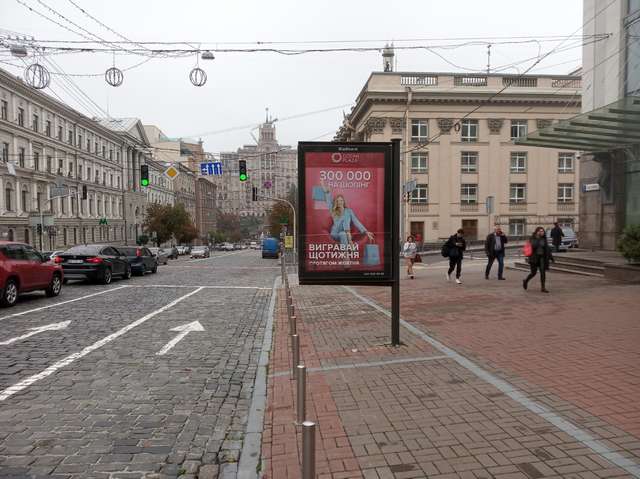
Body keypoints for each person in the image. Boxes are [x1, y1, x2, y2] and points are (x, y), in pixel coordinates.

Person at [321, 181, 374, 246]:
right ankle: (348, 244)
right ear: (336, 203)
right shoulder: (334, 210)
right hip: (335, 234)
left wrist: (366, 232)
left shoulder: (349, 211)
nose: (340, 202)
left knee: (343, 232)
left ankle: (345, 251)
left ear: (343, 201)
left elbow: (356, 221)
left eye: (341, 200)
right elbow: (329, 202)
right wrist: (327, 192)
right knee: (343, 233)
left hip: (345, 234)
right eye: (338, 201)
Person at [523, 226, 554, 293]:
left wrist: (551, 257)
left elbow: (547, 249)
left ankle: (543, 287)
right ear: (537, 232)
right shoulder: (532, 238)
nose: (542, 232)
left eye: (542, 231)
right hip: (534, 258)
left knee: (543, 272)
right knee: (533, 273)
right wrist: (538, 238)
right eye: (540, 231)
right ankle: (526, 280)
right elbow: (533, 245)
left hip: (542, 258)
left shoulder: (544, 239)